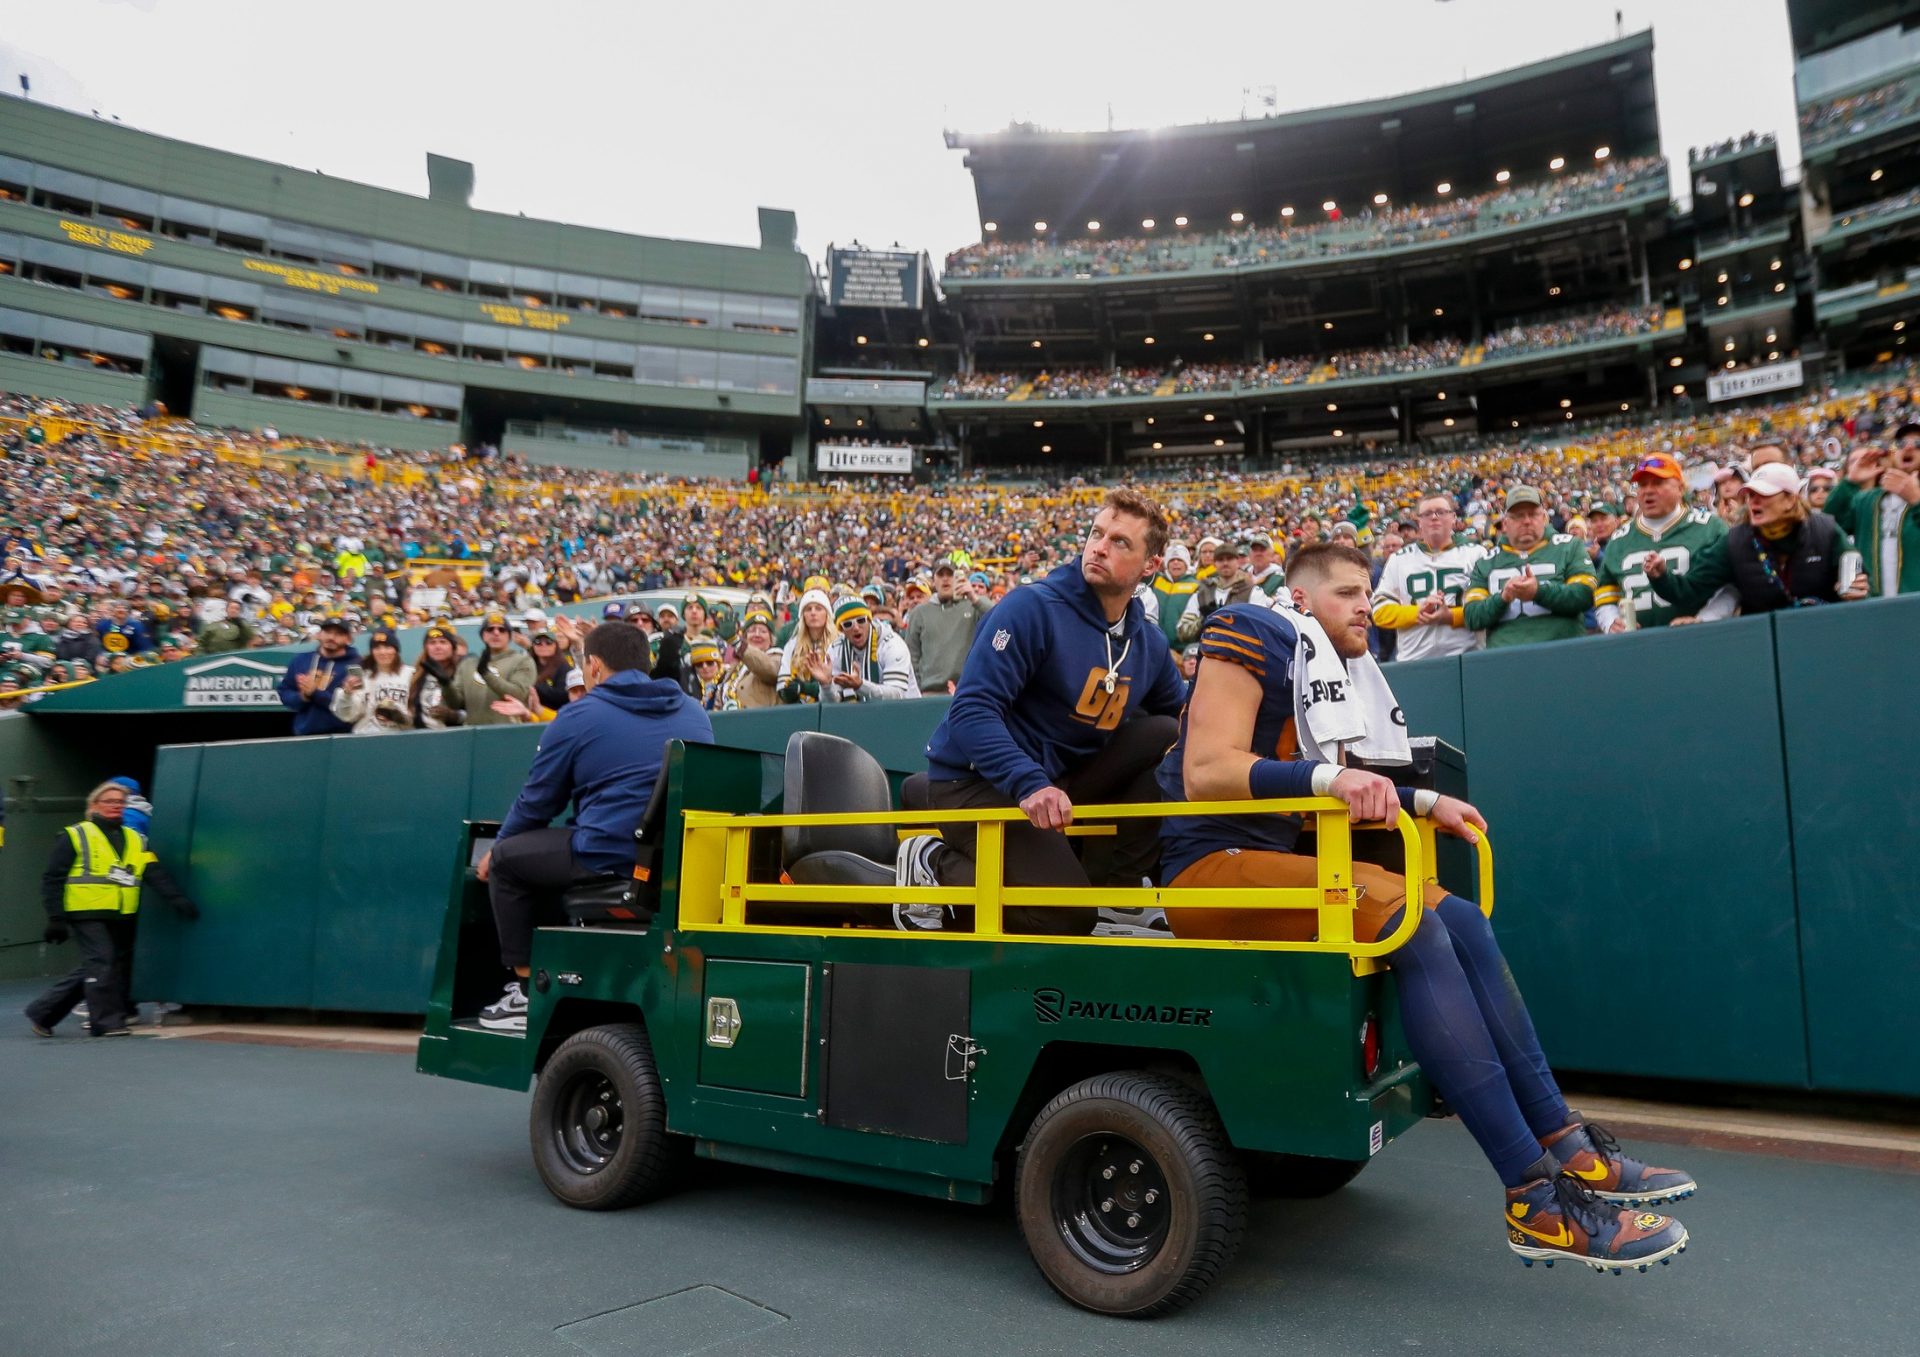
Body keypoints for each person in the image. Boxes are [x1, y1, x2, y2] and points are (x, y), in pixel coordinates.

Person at [1157, 542, 1694, 1269]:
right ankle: (1534, 1198)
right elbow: (1206, 770)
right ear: (1302, 597)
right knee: (1420, 928)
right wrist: (1334, 782)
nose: (1365, 605)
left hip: (1274, 862)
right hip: (1207, 870)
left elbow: (1330, 783)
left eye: (1367, 591)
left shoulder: (1324, 663)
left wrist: (1422, 798)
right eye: (1347, 592)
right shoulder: (1252, 628)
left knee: (1462, 919)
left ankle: (1567, 1144)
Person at [905, 488, 1186, 935]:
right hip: (978, 781)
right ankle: (930, 863)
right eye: (1097, 533)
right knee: (1066, 915)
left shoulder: (1146, 642)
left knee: (1167, 733)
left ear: (1150, 566)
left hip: (1059, 776)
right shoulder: (1032, 607)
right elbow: (972, 710)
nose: (1098, 547)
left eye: (1120, 542)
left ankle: (1120, 889)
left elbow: (1185, 714)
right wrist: (1029, 782)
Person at [474, 623, 713, 1031]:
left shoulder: (577, 716)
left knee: (508, 862)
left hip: (609, 854)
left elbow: (537, 805)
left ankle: (526, 995)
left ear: (595, 665)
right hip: (680, 862)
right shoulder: (694, 710)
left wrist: (498, 846)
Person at [26, 781, 200, 1039]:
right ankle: (106, 1022)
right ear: (94, 805)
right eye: (109, 801)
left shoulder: (135, 839)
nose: (115, 806)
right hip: (86, 911)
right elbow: (53, 878)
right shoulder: (75, 835)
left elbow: (153, 872)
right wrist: (55, 917)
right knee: (103, 962)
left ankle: (43, 1013)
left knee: (100, 965)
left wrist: (177, 899)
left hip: (120, 914)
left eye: (120, 802)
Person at [1647, 464, 1867, 614]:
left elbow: (1860, 578)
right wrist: (1661, 577)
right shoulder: (1735, 541)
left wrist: (1857, 586)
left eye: (1764, 494)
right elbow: (1689, 591)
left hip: (1822, 636)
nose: (1753, 502)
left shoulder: (1825, 530)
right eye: (1750, 495)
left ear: (1790, 499)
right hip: (1764, 645)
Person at [1592, 453, 1735, 631]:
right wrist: (1611, 622)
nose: (1648, 490)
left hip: (1703, 638)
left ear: (1681, 488)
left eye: (1658, 483)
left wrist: (1704, 620)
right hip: (1639, 646)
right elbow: (1605, 593)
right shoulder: (1619, 538)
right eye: (1643, 484)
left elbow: (1732, 586)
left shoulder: (1711, 528)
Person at [1463, 487, 1596, 648]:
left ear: (1543, 517)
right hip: (1505, 658)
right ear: (1505, 524)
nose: (1526, 521)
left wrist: (1539, 592)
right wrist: (1503, 598)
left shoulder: (1569, 546)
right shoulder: (1486, 562)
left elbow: (1585, 595)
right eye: (1518, 516)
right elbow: (1472, 617)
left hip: (1563, 650)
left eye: (1532, 514)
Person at [1370, 493, 1484, 662]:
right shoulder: (1399, 559)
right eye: (1427, 514)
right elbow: (1380, 612)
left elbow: (1488, 608)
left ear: (1453, 517)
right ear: (1419, 521)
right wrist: (1419, 611)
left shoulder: (1476, 554)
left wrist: (1451, 617)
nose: (1434, 517)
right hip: (1414, 660)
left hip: (1467, 655)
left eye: (1441, 512)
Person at [1824, 433, 1920, 597]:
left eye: (1918, 443)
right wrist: (1850, 482)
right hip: (1873, 608)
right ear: (1891, 453)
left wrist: (1916, 501)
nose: (1909, 447)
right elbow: (1827, 528)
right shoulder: (1866, 499)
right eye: (1901, 442)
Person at [905, 556, 990, 694]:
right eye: (941, 574)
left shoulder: (972, 606)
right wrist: (918, 691)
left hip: (967, 691)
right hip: (930, 693)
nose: (945, 578)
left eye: (950, 574)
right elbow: (912, 656)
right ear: (933, 581)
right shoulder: (919, 612)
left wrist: (973, 596)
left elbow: (998, 619)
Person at [445, 611, 537, 726]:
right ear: (483, 635)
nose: (496, 633)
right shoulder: (468, 664)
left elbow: (518, 694)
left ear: (509, 636)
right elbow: (456, 703)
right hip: (473, 733)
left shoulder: (522, 661)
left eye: (502, 630)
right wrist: (445, 684)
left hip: (510, 731)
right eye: (490, 629)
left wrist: (486, 673)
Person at [821, 596, 920, 702]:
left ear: (869, 620)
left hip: (906, 712)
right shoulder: (835, 650)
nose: (856, 627)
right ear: (841, 629)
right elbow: (833, 704)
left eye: (861, 620)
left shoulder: (892, 644)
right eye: (848, 624)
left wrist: (861, 686)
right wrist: (826, 686)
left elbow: (897, 695)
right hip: (859, 715)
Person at [276, 617, 361, 736]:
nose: (331, 637)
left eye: (338, 634)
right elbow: (285, 691)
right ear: (319, 634)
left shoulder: (356, 665)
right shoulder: (301, 660)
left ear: (348, 639)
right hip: (305, 733)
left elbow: (353, 706)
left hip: (342, 735)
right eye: (327, 632)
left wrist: (315, 693)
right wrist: (303, 696)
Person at [332, 628, 414, 733]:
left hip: (403, 737)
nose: (382, 652)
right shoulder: (364, 677)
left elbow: (417, 713)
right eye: (377, 648)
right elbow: (347, 716)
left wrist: (400, 716)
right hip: (368, 738)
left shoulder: (411, 674)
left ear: (396, 650)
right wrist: (347, 694)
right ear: (372, 652)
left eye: (388, 647)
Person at [1177, 538, 1254, 641]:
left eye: (1229, 558)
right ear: (1215, 563)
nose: (1225, 563)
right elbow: (1182, 631)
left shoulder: (1251, 591)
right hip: (1206, 652)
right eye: (1220, 559)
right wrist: (1203, 621)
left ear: (1237, 561)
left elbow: (1260, 629)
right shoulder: (1202, 593)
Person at [776, 589, 836, 704]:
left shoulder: (838, 643)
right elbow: (782, 683)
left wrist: (805, 688)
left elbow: (839, 687)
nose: (813, 613)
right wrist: (789, 693)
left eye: (818, 608)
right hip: (799, 712)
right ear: (802, 615)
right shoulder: (792, 644)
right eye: (808, 609)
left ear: (827, 613)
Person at [721, 606, 781, 710]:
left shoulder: (777, 657)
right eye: (752, 630)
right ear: (745, 637)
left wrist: (737, 644)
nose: (757, 635)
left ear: (771, 639)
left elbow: (768, 669)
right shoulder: (737, 665)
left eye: (763, 631)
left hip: (759, 721)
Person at [408, 624, 462, 729]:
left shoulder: (461, 671)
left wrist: (453, 715)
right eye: (432, 643)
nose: (437, 646)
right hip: (422, 735)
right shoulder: (416, 676)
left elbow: (475, 711)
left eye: (443, 642)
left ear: (453, 647)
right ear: (426, 648)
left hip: (455, 735)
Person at [1150, 544, 1200, 650]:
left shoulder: (1196, 586)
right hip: (1154, 644)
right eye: (1172, 560)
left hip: (1181, 648)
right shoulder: (1157, 580)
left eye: (1180, 560)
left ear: (1187, 564)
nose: (1175, 562)